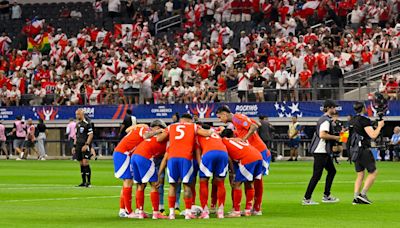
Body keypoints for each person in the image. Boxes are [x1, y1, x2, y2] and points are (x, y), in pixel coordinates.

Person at [216, 105, 270, 215]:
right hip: (256, 149)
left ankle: (256, 208)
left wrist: (244, 139)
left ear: (224, 114)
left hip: (259, 150)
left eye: (219, 117)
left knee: (256, 180)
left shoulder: (236, 118)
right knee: (251, 180)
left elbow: (254, 126)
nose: (220, 120)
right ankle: (253, 208)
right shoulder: (238, 119)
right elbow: (257, 124)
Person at [156, 113, 211, 220]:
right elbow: (206, 133)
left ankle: (171, 213)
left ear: (181, 120)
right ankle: (188, 213)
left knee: (172, 185)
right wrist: (214, 131)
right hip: (186, 158)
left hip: (172, 157)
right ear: (189, 121)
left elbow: (159, 139)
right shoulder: (193, 126)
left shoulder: (171, 126)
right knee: (187, 185)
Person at [303, 100, 340, 205]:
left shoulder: (325, 119)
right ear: (329, 108)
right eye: (334, 107)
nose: (335, 109)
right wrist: (336, 138)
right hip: (321, 150)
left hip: (323, 150)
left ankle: (326, 195)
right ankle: (307, 198)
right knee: (317, 175)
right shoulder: (326, 120)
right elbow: (323, 135)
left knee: (332, 171)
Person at [220, 128, 263, 217]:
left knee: (236, 184)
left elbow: (229, 159)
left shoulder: (223, 141)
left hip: (248, 158)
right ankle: (248, 209)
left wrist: (232, 172)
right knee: (249, 183)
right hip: (258, 156)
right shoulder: (239, 140)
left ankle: (236, 211)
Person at [130, 120, 169, 219]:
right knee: (154, 185)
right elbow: (165, 158)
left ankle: (140, 212)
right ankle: (156, 213)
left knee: (140, 185)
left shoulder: (152, 136)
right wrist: (159, 175)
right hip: (145, 157)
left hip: (134, 156)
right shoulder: (167, 139)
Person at [350, 102, 384, 204]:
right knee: (373, 172)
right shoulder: (364, 120)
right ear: (364, 108)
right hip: (363, 149)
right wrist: (379, 126)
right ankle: (363, 194)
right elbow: (373, 135)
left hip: (355, 149)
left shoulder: (352, 120)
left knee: (360, 174)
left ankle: (356, 197)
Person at [196, 124, 228, 219]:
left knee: (203, 181)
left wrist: (200, 165)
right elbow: (222, 128)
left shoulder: (198, 135)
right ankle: (221, 211)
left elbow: (197, 151)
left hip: (209, 153)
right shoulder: (215, 133)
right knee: (220, 182)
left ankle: (205, 212)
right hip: (223, 153)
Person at [72, 109, 94, 188]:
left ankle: (89, 182)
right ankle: (83, 182)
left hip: (84, 145)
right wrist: (74, 146)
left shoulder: (87, 123)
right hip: (78, 145)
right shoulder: (77, 124)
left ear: (82, 114)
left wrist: (87, 144)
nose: (77, 116)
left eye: (78, 114)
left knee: (85, 162)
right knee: (81, 163)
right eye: (76, 114)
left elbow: (90, 135)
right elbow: (76, 136)